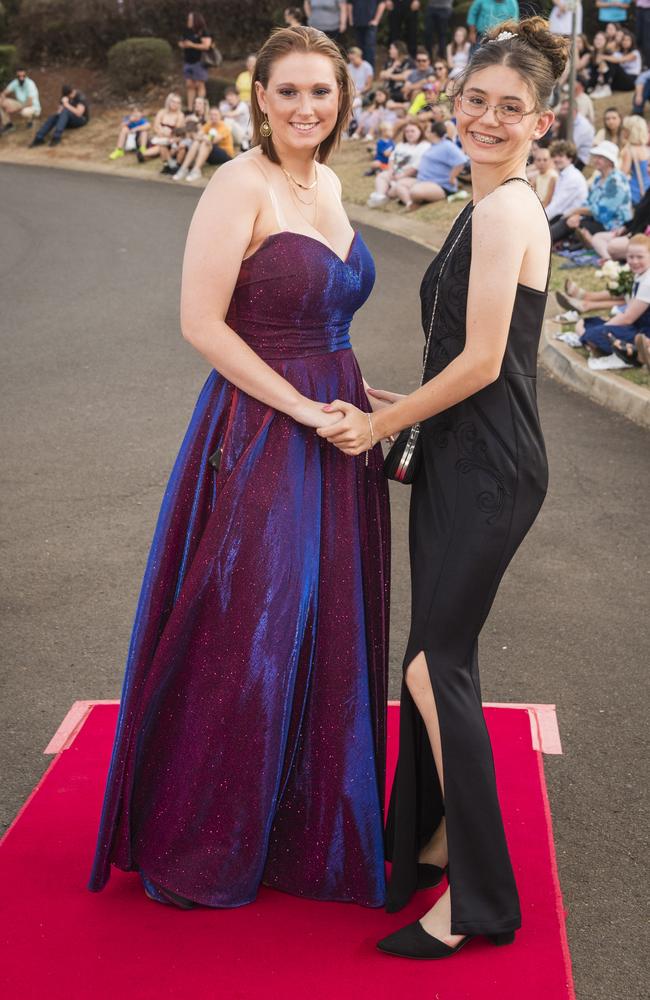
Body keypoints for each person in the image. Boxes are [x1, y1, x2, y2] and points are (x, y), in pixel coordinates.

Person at [88, 24, 390, 913]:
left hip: (339, 427)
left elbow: (328, 322)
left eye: (321, 92)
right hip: (262, 431)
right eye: (289, 91)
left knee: (326, 619)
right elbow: (202, 322)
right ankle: (206, 827)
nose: (306, 107)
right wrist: (301, 410)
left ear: (343, 100)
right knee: (248, 625)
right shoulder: (236, 183)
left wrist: (374, 405)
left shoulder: (330, 182)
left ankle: (305, 824)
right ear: (259, 96)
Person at [317, 15, 566, 960]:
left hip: (491, 467)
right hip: (464, 453)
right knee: (433, 649)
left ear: (543, 121)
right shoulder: (484, 199)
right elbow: (452, 360)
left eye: (513, 108)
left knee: (435, 667)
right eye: (478, 101)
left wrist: (384, 423)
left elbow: (486, 359)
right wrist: (403, 404)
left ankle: (479, 901)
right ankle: (432, 837)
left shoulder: (508, 210)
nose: (490, 119)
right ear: (454, 104)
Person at [576, 235, 650, 368]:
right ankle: (627, 349)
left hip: (643, 331)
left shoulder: (648, 281)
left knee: (592, 333)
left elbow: (628, 318)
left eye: (640, 257)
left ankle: (637, 351)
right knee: (584, 323)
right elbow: (630, 309)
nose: (634, 261)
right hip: (636, 326)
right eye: (631, 257)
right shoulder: (641, 275)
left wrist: (606, 326)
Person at [550, 140, 632, 243]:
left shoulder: (616, 181)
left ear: (610, 161)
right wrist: (577, 215)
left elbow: (603, 211)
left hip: (612, 225)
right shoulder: (599, 178)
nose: (596, 160)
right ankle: (545, 241)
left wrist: (577, 212)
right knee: (563, 217)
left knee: (568, 221)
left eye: (600, 157)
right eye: (596, 156)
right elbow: (587, 202)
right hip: (596, 220)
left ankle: (543, 243)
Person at [394, 120, 468, 208]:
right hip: (422, 181)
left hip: (440, 185)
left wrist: (452, 177)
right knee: (399, 184)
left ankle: (414, 200)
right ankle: (410, 203)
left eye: (428, 130)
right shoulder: (433, 145)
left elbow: (461, 161)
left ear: (433, 133)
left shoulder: (447, 145)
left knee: (415, 191)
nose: (425, 132)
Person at [366, 118, 431, 205]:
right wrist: (390, 171)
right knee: (382, 176)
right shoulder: (401, 145)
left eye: (412, 131)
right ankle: (380, 195)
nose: (409, 134)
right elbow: (392, 159)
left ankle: (384, 194)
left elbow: (416, 167)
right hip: (394, 173)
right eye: (407, 131)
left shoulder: (424, 146)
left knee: (394, 188)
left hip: (409, 177)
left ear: (420, 132)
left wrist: (401, 176)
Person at [173, 106, 234, 182]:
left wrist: (203, 137)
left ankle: (196, 171)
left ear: (220, 116)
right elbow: (197, 136)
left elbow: (213, 140)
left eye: (215, 114)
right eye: (211, 114)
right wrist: (203, 137)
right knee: (196, 142)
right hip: (210, 153)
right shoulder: (208, 124)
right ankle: (183, 169)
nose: (213, 116)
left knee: (205, 143)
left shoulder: (224, 126)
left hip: (225, 155)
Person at [545, 139, 589, 224]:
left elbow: (557, 207)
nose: (556, 159)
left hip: (570, 221)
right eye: (554, 156)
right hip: (561, 218)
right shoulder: (563, 175)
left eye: (561, 156)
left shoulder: (573, 177)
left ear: (570, 158)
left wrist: (537, 220)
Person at [179, 11, 213, 110]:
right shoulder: (187, 31)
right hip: (188, 61)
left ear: (195, 20)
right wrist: (182, 44)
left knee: (199, 84)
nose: (188, 21)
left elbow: (207, 46)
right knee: (189, 85)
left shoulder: (203, 31)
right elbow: (182, 42)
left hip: (199, 62)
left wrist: (192, 45)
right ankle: (190, 108)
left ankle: (200, 107)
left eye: (190, 19)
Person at [139, 93, 185, 163]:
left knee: (161, 145)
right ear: (169, 102)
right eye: (173, 102)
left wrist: (166, 134)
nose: (175, 104)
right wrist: (160, 133)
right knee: (159, 143)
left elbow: (177, 131)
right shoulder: (162, 112)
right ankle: (150, 155)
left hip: (171, 140)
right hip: (158, 137)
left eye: (178, 103)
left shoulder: (180, 115)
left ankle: (144, 154)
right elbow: (155, 126)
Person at [620, 115, 650, 206]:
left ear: (630, 131)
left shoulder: (629, 151)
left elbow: (622, 175)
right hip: (647, 188)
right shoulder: (646, 149)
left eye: (625, 129)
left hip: (635, 191)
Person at [346, 1, 387, 69]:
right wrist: (351, 19)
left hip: (370, 25)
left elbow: (382, 3)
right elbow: (350, 3)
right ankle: (359, 71)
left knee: (369, 49)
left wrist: (376, 20)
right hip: (357, 23)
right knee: (358, 49)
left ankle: (369, 72)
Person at [0, 67, 41, 133]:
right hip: (21, 103)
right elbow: (4, 92)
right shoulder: (15, 82)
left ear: (26, 76)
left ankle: (31, 120)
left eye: (23, 76)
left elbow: (30, 103)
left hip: (32, 106)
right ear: (17, 76)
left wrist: (14, 109)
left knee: (24, 112)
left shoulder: (30, 84)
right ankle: (8, 125)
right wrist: (2, 99)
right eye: (19, 76)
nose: (21, 78)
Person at [531, 144, 557, 208]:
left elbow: (547, 202)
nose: (542, 163)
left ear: (550, 161)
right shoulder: (537, 176)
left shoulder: (553, 176)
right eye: (539, 160)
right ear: (535, 162)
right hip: (537, 205)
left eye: (545, 160)